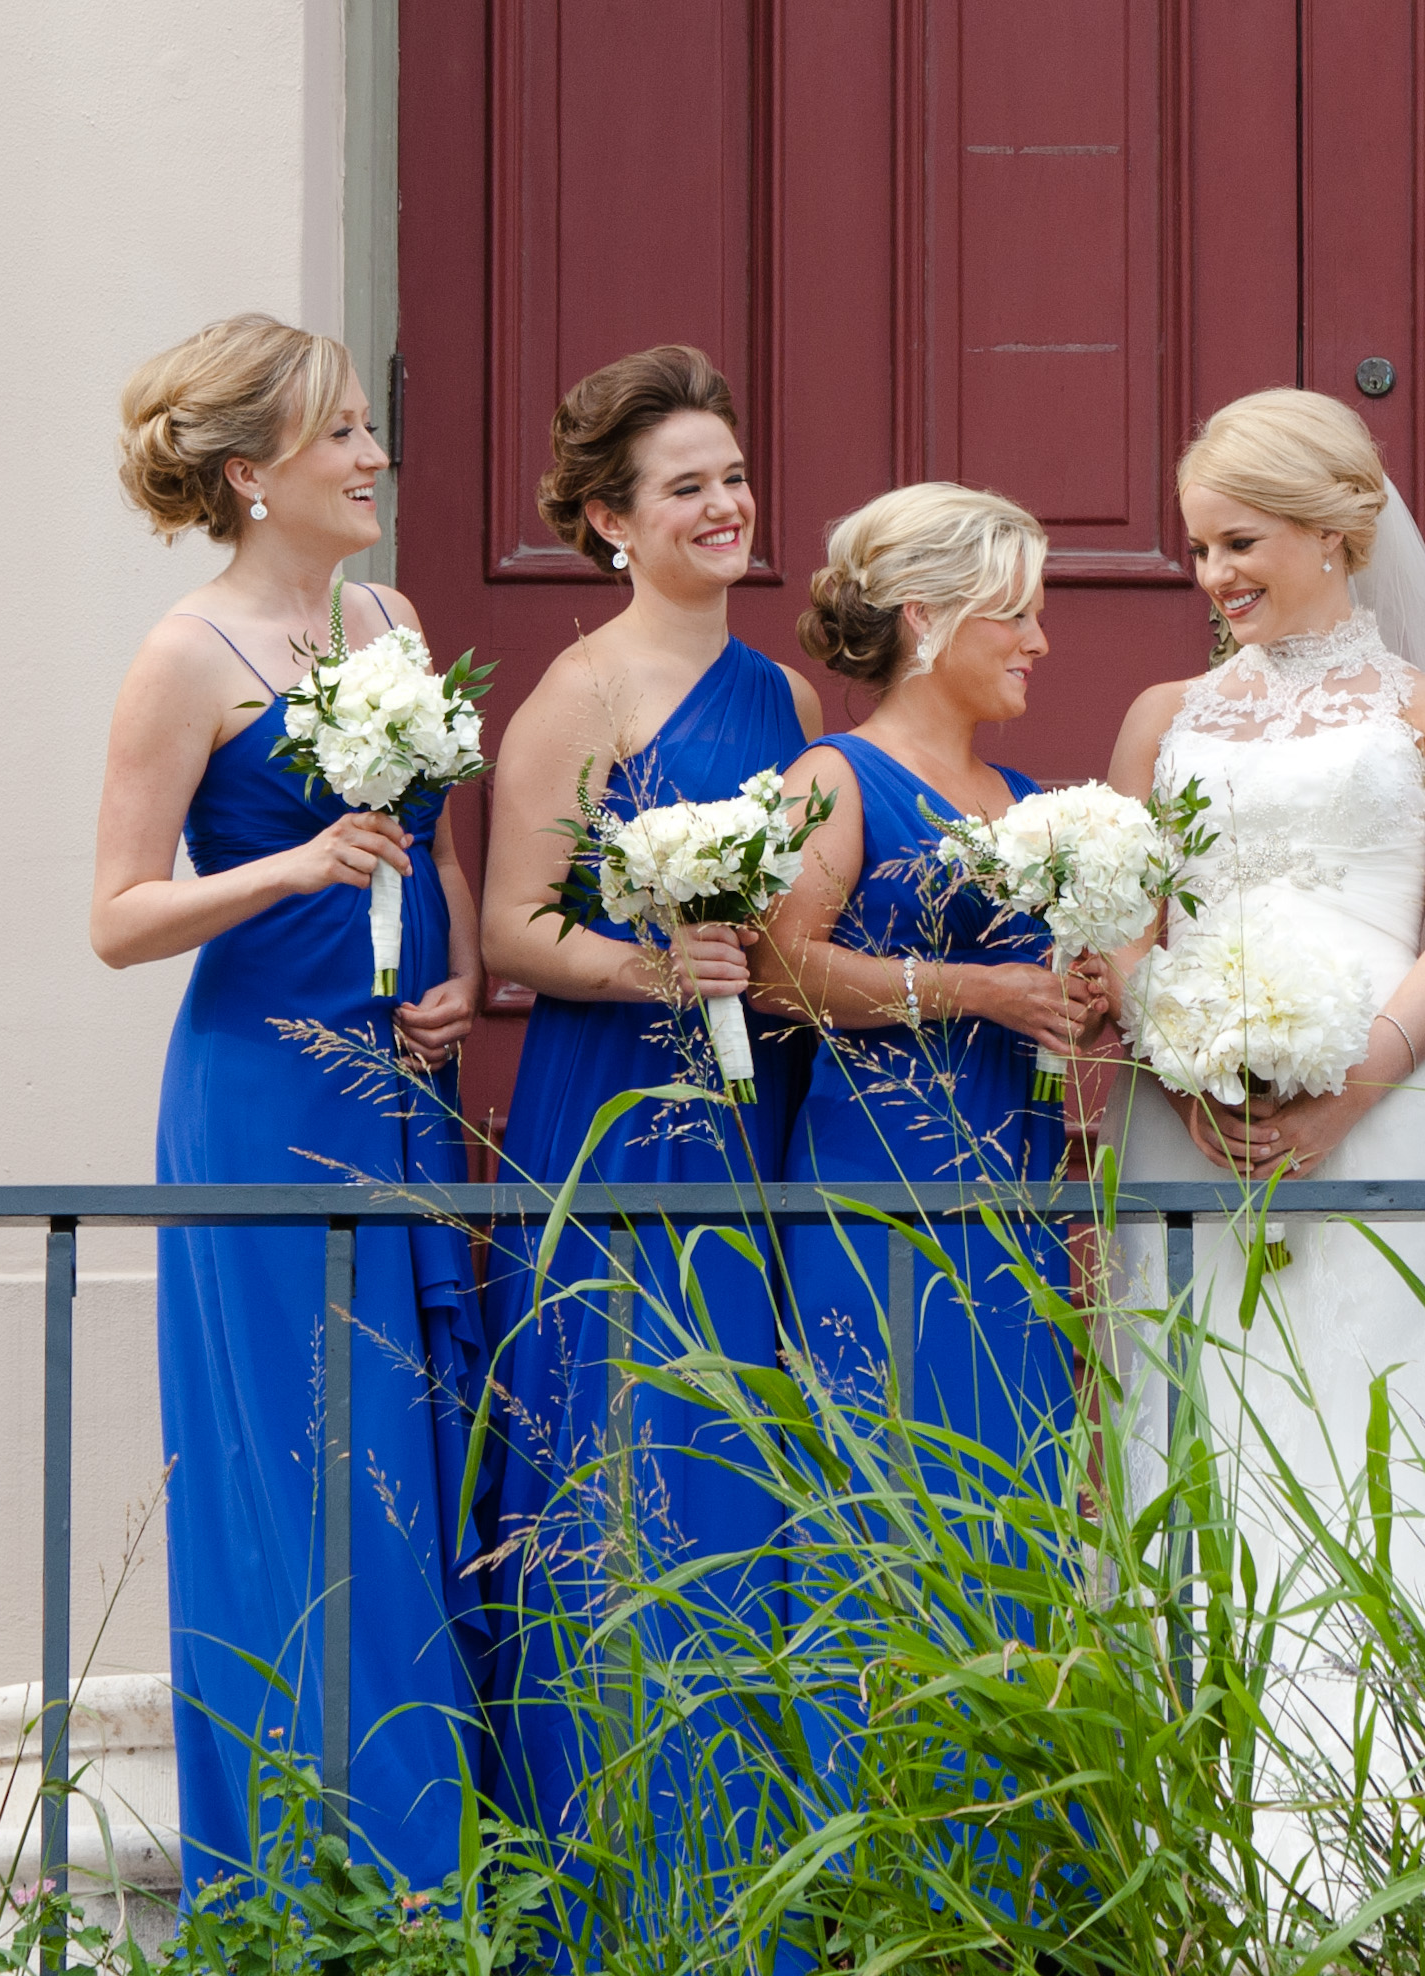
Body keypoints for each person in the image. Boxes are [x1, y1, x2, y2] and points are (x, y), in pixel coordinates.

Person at [1100, 388, 1425, 1893]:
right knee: (1202, 1429)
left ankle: (1407, 1849)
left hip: (1388, 1111)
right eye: (1201, 547)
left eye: (1242, 542)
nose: (1214, 575)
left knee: (1381, 1435)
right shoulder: (1163, 717)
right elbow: (1123, 923)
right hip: (1192, 1122)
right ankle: (1194, 1857)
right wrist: (1181, 1064)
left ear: (1339, 531)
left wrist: (1351, 1092)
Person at [91, 314, 486, 1893]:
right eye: (340, 434)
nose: (374, 455)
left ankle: (437, 1854)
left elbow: (432, 842)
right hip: (264, 1089)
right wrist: (293, 864)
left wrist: (459, 974)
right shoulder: (186, 656)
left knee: (414, 1444)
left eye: (368, 428)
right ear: (253, 473)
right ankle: (307, 1881)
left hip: (404, 1079)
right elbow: (119, 917)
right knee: (303, 1458)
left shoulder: (389, 617)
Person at [469, 346, 822, 1875]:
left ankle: (753, 1860)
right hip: (618, 1107)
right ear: (612, 521)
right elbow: (511, 928)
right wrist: (653, 967)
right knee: (627, 1445)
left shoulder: (789, 694)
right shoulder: (583, 690)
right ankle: (616, 1859)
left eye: (733, 476)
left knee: (747, 1453)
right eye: (688, 487)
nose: (726, 505)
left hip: (761, 1117)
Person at [763, 484, 1101, 1482]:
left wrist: (1077, 994)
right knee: (890, 1471)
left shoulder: (1026, 802)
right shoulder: (834, 777)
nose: (1039, 642)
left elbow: (1043, 985)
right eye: (1016, 614)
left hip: (1016, 1175)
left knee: (1009, 1467)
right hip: (879, 1175)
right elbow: (778, 971)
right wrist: (980, 991)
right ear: (926, 617)